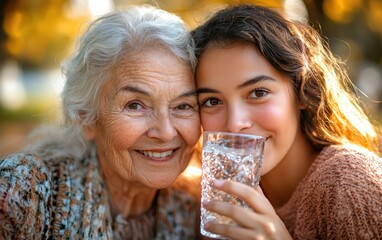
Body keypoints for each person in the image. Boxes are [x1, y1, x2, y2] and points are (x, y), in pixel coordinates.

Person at [0, 5, 202, 239]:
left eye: (183, 106)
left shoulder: (196, 207)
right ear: (86, 116)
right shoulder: (21, 196)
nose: (166, 132)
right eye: (135, 105)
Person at [192, 4, 382, 240]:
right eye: (211, 101)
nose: (234, 124)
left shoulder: (350, 185)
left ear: (301, 90)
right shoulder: (217, 195)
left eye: (258, 93)